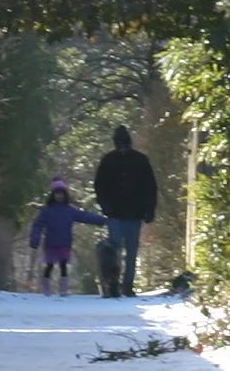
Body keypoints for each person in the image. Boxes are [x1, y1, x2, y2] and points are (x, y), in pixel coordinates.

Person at [91, 125, 158, 297]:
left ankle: (127, 285)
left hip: (132, 213)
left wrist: (149, 209)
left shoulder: (139, 161)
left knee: (130, 251)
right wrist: (104, 204)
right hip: (117, 213)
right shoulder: (110, 161)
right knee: (116, 250)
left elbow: (150, 187)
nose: (123, 148)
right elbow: (99, 186)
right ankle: (114, 283)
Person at [27, 178, 107, 297]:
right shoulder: (47, 211)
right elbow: (38, 225)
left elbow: (84, 216)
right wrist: (35, 239)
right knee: (49, 265)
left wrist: (102, 220)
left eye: (61, 194)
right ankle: (46, 287)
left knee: (63, 265)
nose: (59, 197)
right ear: (53, 195)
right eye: (57, 194)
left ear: (65, 196)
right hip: (51, 243)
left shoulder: (69, 211)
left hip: (65, 242)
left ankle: (63, 288)